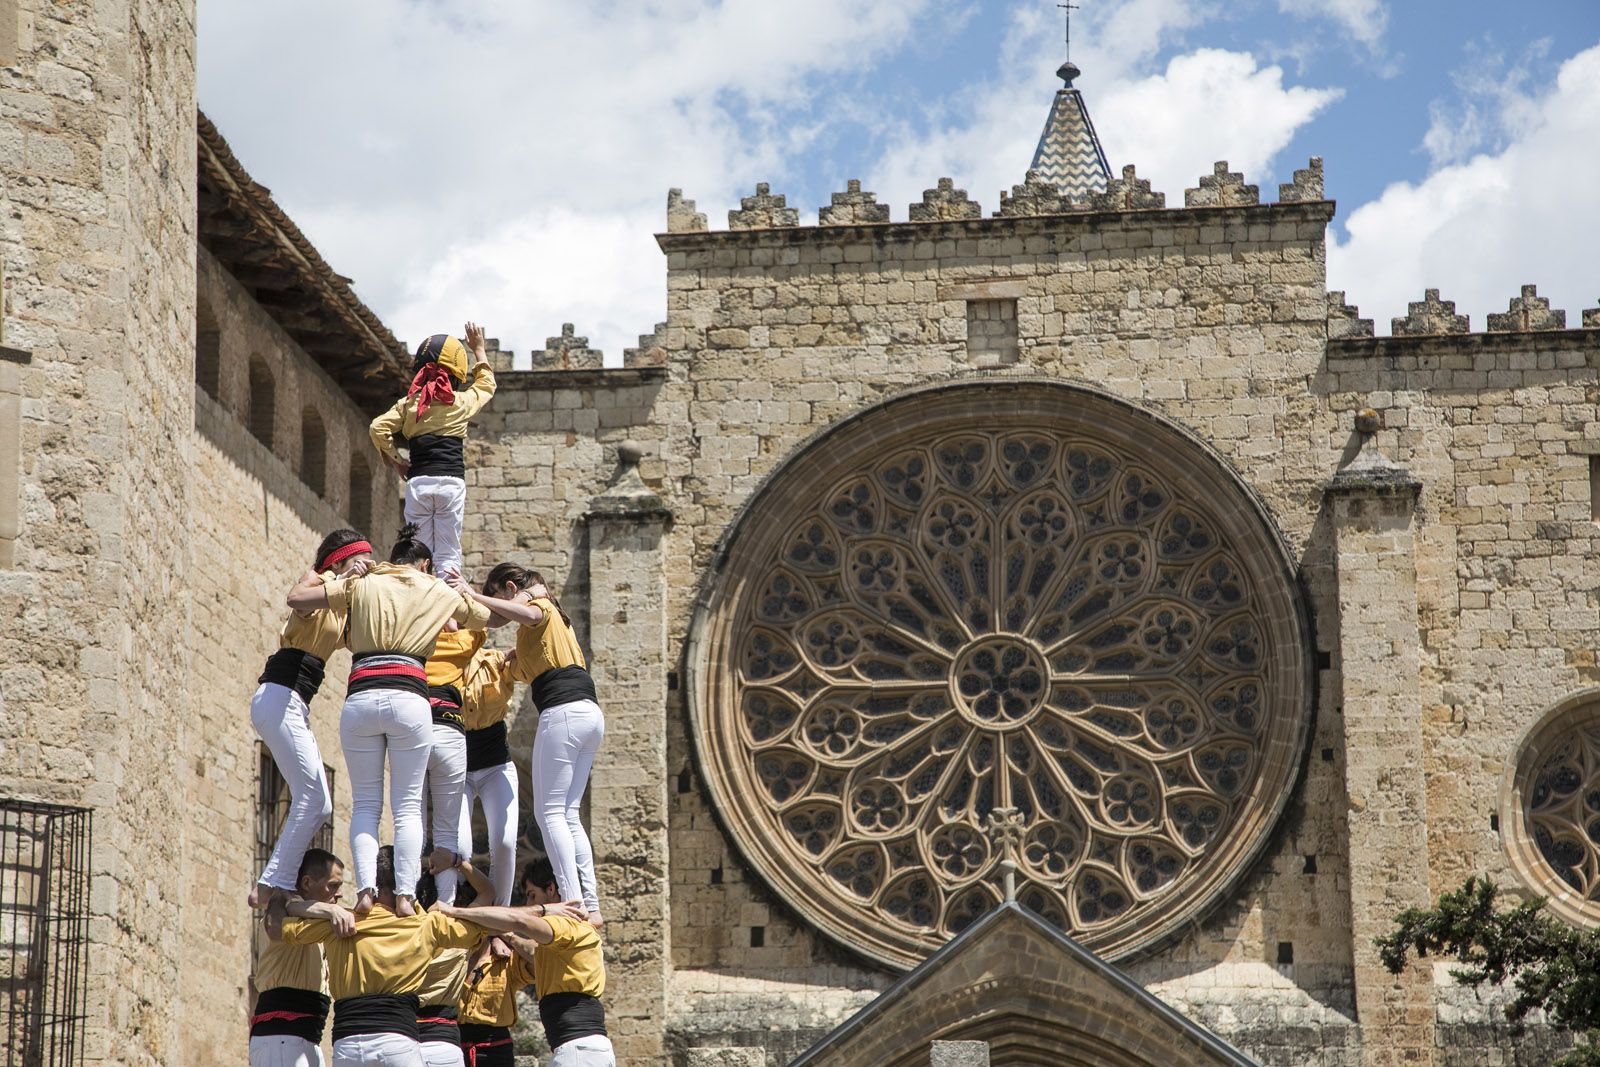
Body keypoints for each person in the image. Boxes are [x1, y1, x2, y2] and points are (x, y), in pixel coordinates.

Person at [287, 525, 491, 916]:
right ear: (424, 564)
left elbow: (298, 599)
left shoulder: (363, 582)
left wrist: (336, 573)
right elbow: (483, 619)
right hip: (411, 697)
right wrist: (461, 589)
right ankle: (404, 896)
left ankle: (365, 892)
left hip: (362, 693)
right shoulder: (436, 589)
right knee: (408, 806)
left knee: (365, 804)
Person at [273, 846, 574, 1067]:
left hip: (348, 1045)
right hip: (405, 1042)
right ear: (407, 883)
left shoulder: (342, 922)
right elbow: (490, 914)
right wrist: (541, 911)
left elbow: (278, 927)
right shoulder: (427, 924)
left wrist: (287, 899)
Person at [452, 565, 603, 926]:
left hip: (563, 712)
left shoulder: (540, 604)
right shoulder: (548, 630)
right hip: (589, 713)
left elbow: (528, 610)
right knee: (568, 814)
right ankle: (592, 905)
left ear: (509, 588)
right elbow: (519, 662)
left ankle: (572, 900)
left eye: (499, 601)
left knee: (549, 813)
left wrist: (472, 595)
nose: (495, 615)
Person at [250, 529, 373, 909]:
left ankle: (275, 881)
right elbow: (296, 598)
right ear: (341, 559)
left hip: (295, 704)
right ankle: (271, 884)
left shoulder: (340, 606)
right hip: (279, 695)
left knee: (320, 804)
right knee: (314, 797)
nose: (366, 565)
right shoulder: (321, 581)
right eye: (360, 559)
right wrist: (344, 579)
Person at [439, 858, 611, 1067]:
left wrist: (454, 912)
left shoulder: (568, 926)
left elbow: (521, 921)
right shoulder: (560, 943)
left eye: (532, 896)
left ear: (551, 889)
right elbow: (534, 951)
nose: (530, 905)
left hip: (577, 1048)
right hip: (578, 1047)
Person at [369, 323, 496, 581]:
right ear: (456, 372)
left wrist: (397, 462)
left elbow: (377, 428)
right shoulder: (461, 403)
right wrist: (479, 349)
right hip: (451, 483)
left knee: (418, 550)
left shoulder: (409, 405)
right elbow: (487, 385)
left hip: (418, 484)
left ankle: (419, 600)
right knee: (448, 551)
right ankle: (448, 608)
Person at [251, 848, 354, 1067]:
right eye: (332, 886)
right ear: (307, 883)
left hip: (304, 1039)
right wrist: (330, 911)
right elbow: (283, 915)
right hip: (281, 1038)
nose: (339, 894)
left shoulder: (313, 924)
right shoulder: (282, 914)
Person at [423, 624, 485, 905]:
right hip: (447, 727)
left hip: (413, 724)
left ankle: (406, 896)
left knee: (409, 815)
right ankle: (445, 906)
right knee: (446, 829)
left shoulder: (416, 635)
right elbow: (481, 621)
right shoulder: (462, 640)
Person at [458, 640, 519, 905]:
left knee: (505, 844)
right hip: (457, 771)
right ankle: (455, 906)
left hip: (496, 766)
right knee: (459, 848)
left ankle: (499, 915)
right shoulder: (435, 659)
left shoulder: (495, 661)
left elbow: (526, 669)